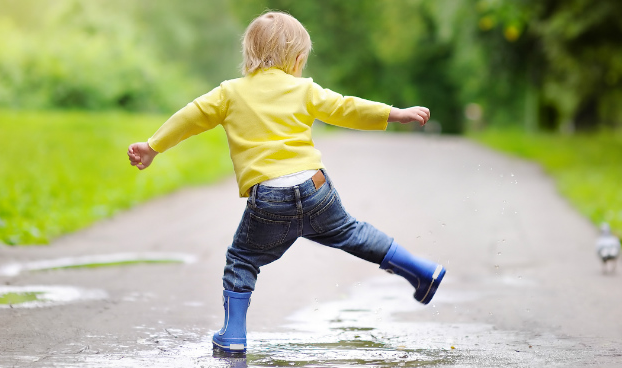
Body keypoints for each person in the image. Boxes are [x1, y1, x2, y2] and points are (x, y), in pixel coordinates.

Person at [127, 11, 446, 354]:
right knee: (353, 233)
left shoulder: (230, 93)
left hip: (269, 198)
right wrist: (394, 113)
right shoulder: (303, 89)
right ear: (297, 59)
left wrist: (153, 146)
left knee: (242, 259)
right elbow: (345, 108)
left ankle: (233, 335)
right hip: (315, 187)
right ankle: (421, 271)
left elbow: (189, 117)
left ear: (248, 54)